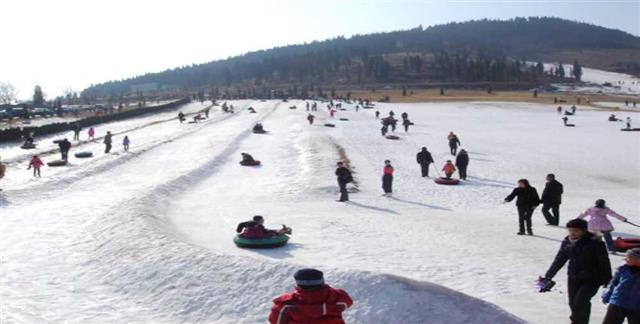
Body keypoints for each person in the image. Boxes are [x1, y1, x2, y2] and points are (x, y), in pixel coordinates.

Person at [540, 218, 612, 324]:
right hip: (573, 277)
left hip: (592, 278)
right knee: (573, 303)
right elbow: (559, 259)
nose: (572, 233)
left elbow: (604, 261)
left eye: (576, 230)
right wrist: (549, 276)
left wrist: (607, 278)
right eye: (570, 230)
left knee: (581, 302)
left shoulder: (595, 243)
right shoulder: (567, 242)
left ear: (583, 231)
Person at [269, 268, 353, 324]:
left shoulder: (285, 304)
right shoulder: (338, 297)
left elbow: (276, 322)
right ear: (322, 281)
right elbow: (349, 302)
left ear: (298, 284)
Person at [602, 248, 640, 324]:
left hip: (636, 305)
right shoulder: (622, 269)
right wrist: (606, 295)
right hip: (618, 301)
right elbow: (613, 283)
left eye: (628, 257)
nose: (625, 259)